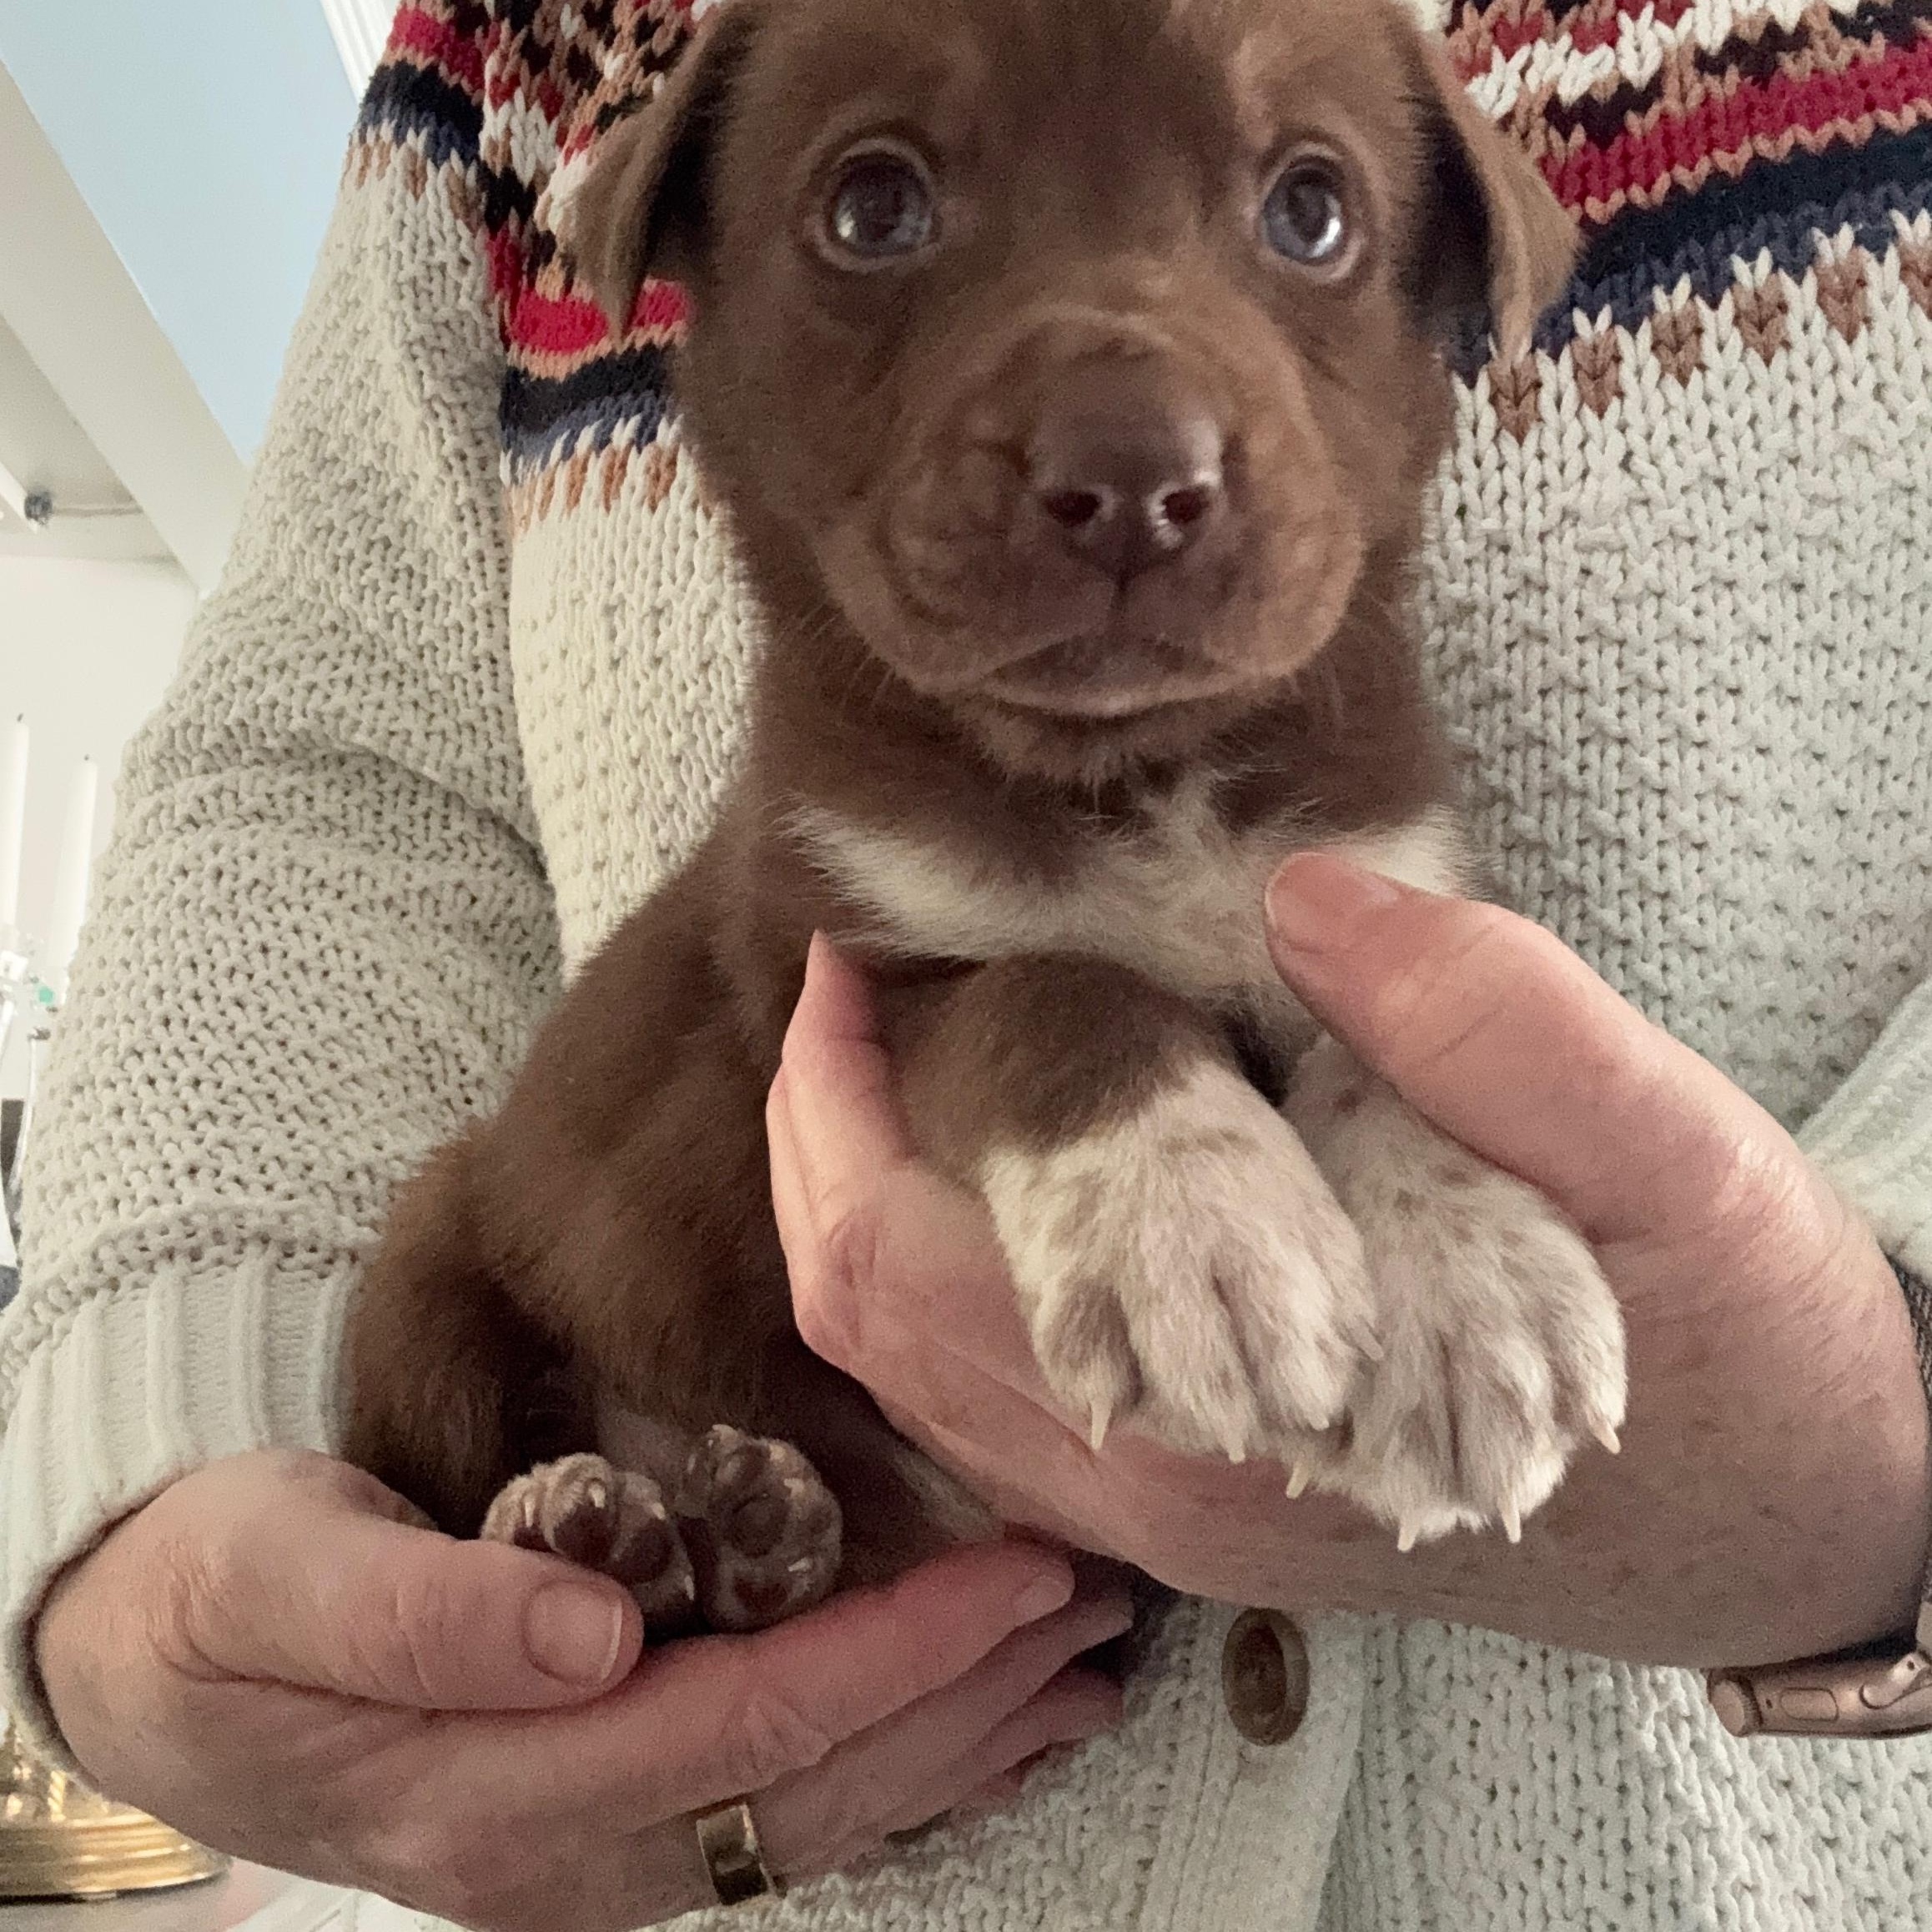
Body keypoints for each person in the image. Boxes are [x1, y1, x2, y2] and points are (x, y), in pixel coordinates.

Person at [6, 1, 1932, 1926]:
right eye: (875, 207)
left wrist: (1877, 1423)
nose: (1136, 447)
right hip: (612, 1402)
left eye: (1312, 215)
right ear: (688, 290)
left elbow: (1373, 1008)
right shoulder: (540, 48)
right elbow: (328, 779)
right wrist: (153, 1499)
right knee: (455, 1296)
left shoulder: (1359, 763)